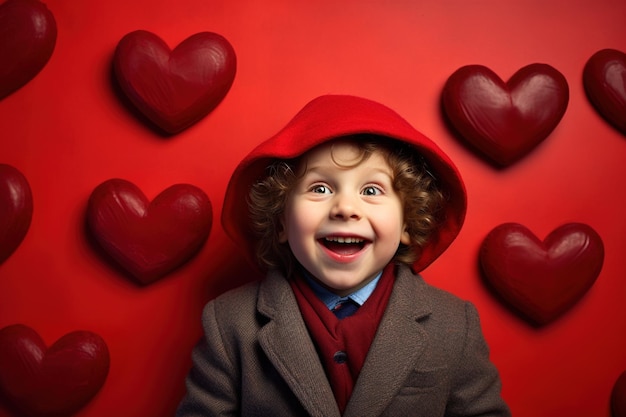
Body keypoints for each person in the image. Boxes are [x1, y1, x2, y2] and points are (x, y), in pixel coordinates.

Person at [176, 95, 510, 417]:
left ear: (407, 222)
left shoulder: (454, 324)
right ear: (281, 221)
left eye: (371, 190)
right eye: (319, 188)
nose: (346, 208)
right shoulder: (230, 322)